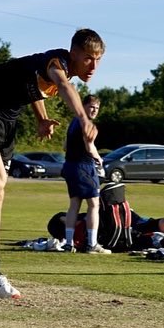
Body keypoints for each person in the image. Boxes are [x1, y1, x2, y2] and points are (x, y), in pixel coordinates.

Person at [0, 28, 105, 299]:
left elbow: (34, 91)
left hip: (7, 122)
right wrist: (83, 118)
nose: (93, 66)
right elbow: (64, 86)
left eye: (98, 60)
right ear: (74, 53)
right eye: (88, 58)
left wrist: (41, 119)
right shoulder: (57, 63)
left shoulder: (58, 73)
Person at [61, 94, 110, 254]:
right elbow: (89, 146)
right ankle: (92, 244)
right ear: (83, 107)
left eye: (97, 108)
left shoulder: (73, 122)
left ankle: (69, 244)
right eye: (91, 107)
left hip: (69, 165)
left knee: (74, 204)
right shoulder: (86, 123)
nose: (94, 110)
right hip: (84, 166)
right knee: (94, 204)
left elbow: (65, 146)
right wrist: (99, 159)